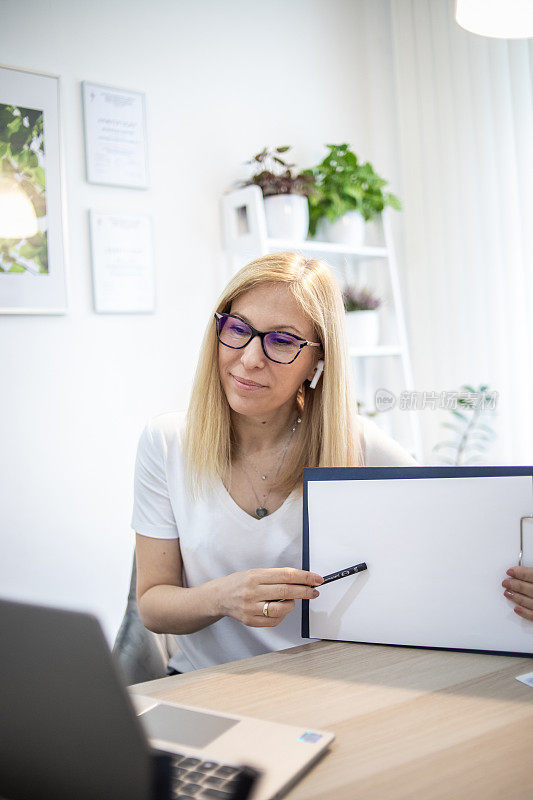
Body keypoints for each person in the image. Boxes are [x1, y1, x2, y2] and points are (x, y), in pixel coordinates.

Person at [131, 252, 532, 676]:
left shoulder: (357, 446)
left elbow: (471, 535)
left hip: (325, 689)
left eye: (282, 342)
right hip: (202, 688)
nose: (249, 358)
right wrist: (222, 597)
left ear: (317, 363)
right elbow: (153, 605)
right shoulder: (167, 442)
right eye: (238, 330)